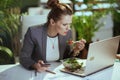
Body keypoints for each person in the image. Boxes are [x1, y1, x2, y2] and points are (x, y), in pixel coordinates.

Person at [19, 0, 86, 72]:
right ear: (52, 22)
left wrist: (76, 50)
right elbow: (24, 57)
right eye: (64, 24)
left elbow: (66, 58)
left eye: (69, 24)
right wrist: (35, 65)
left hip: (58, 73)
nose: (68, 28)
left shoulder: (67, 33)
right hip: (37, 73)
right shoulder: (33, 32)